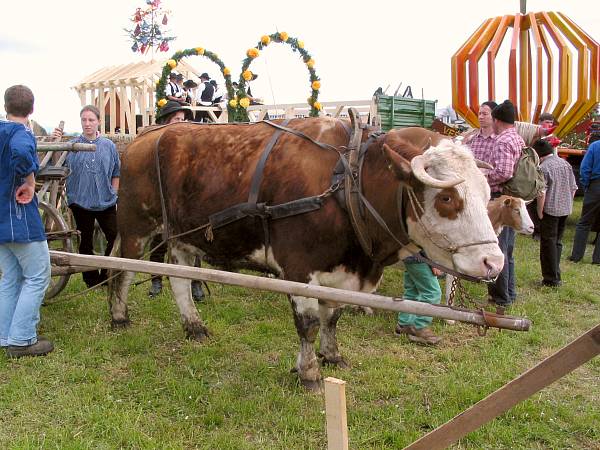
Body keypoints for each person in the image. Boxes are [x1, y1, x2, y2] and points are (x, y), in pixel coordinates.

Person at [0, 85, 53, 358]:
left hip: (1, 220)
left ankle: (5, 335)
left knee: (11, 277)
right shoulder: (20, 133)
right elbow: (21, 153)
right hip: (18, 219)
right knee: (38, 276)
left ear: (6, 105)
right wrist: (30, 180)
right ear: (31, 109)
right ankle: (21, 340)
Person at [469, 100, 523, 308]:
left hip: (497, 198)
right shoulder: (516, 138)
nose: (484, 117)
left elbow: (503, 172)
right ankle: (509, 292)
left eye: (487, 114)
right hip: (508, 199)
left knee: (497, 248)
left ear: (497, 119)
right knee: (507, 250)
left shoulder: (502, 140)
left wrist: (479, 177)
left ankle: (500, 297)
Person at [58, 105, 120, 288]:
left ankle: (106, 276)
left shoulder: (108, 146)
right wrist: (57, 142)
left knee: (115, 236)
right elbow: (58, 164)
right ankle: (91, 279)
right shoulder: (73, 146)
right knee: (85, 242)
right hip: (80, 201)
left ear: (99, 121)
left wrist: (114, 192)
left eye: (91, 120)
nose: (87, 124)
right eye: (84, 120)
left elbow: (116, 171)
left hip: (105, 201)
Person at [148, 101, 205, 301]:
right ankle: (156, 280)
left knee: (193, 244)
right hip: (161, 201)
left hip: (185, 205)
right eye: (176, 120)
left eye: (183, 119)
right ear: (167, 122)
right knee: (158, 243)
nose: (181, 123)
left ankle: (196, 283)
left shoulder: (191, 148)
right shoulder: (155, 147)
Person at [533, 139, 578, 286]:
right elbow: (573, 187)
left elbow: (542, 193)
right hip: (565, 208)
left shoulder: (543, 168)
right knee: (557, 242)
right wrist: (568, 203)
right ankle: (556, 273)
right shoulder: (565, 163)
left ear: (539, 155)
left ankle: (551, 279)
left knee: (548, 244)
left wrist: (540, 211)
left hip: (550, 210)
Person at [394, 254, 443, 345]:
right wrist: (433, 263)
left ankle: (403, 324)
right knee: (433, 293)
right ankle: (419, 327)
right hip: (420, 258)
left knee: (412, 292)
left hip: (410, 255)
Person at [569, 134, 600, 264]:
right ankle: (598, 259)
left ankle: (576, 256)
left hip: (595, 185)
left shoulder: (595, 146)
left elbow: (585, 168)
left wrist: (587, 185)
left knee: (584, 222)